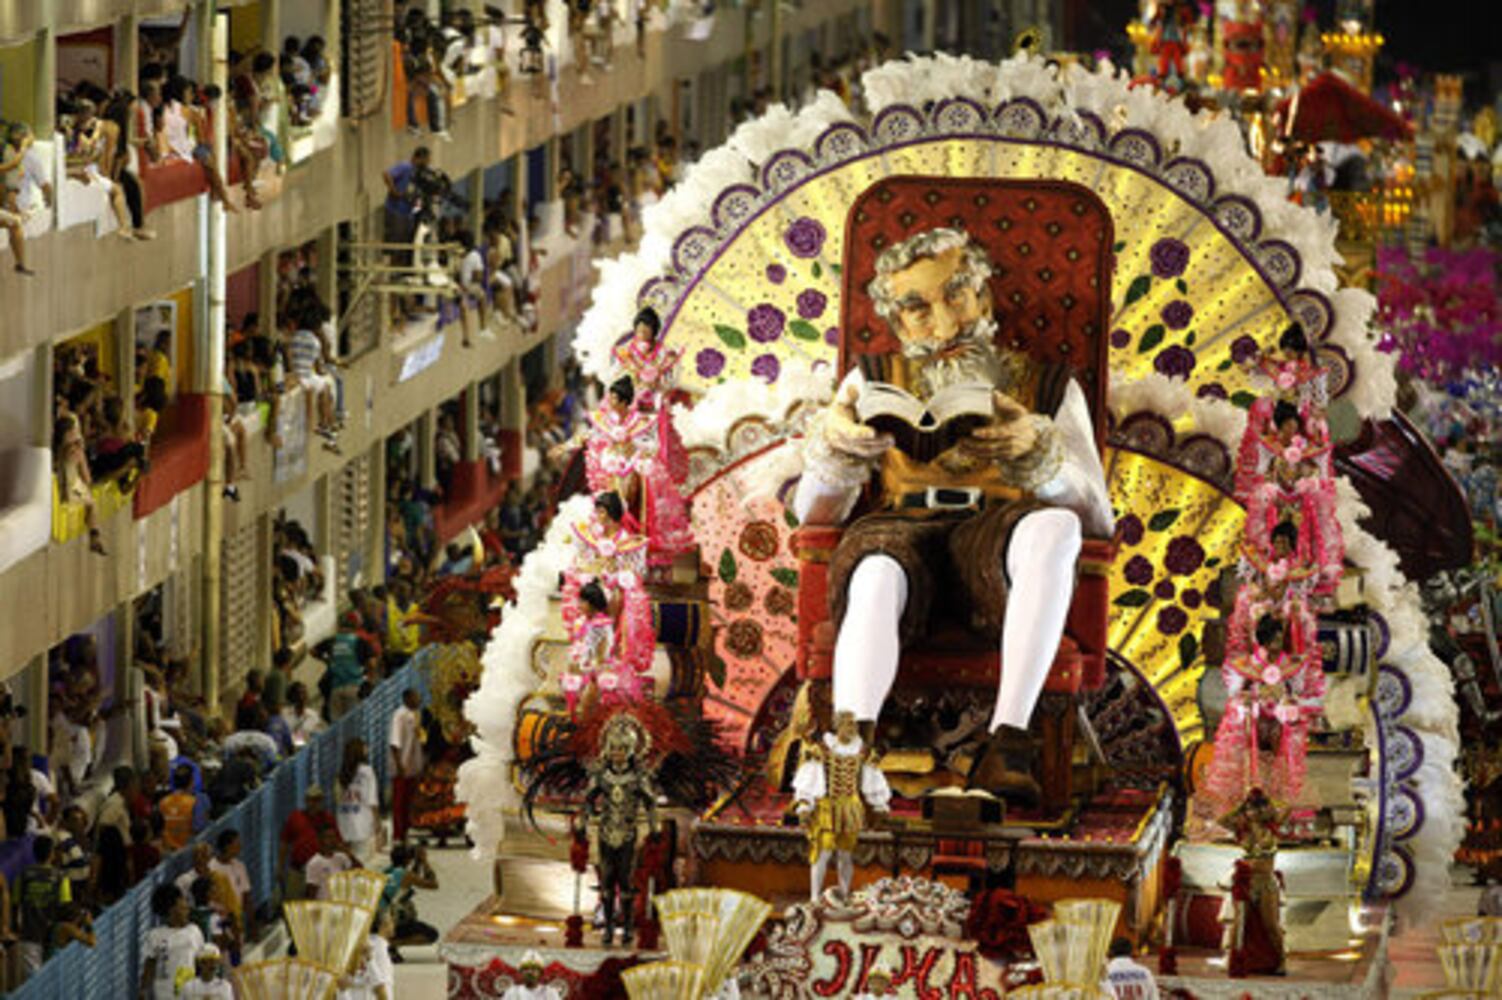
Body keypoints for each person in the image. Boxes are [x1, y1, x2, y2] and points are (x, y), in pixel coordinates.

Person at [791, 227, 1112, 802]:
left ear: (983, 298)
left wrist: (1039, 457)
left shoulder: (1048, 386)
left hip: (999, 536)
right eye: (917, 308)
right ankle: (848, 752)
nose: (944, 326)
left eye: (956, 296)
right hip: (901, 532)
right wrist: (836, 445)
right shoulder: (868, 382)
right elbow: (811, 515)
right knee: (876, 571)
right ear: (896, 322)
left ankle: (1007, 743)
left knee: (1055, 525)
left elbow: (1097, 518)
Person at [793, 710, 891, 901]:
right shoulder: (821, 749)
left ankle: (844, 895)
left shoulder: (862, 751)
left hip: (850, 806)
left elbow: (872, 778)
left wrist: (879, 805)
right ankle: (814, 897)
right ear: (837, 726)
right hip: (827, 807)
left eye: (854, 725)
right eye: (847, 725)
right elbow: (809, 777)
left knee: (846, 854)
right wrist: (805, 803)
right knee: (824, 851)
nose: (852, 729)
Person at [15, 836, 70, 976]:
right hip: (53, 938)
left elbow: (15, 903)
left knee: (34, 982)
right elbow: (65, 907)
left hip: (29, 936)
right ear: (52, 853)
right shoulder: (61, 877)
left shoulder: (22, 875)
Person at [140, 884, 205, 1000]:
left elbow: (201, 963)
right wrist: (143, 990)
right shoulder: (155, 936)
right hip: (164, 995)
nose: (187, 907)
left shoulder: (194, 931)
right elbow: (149, 965)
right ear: (171, 909)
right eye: (182, 904)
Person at [280, 785, 341, 899]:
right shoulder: (295, 817)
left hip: (320, 872)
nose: (314, 803)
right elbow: (284, 843)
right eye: (311, 799)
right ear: (306, 800)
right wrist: (280, 867)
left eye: (317, 800)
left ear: (321, 801)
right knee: (294, 904)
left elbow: (337, 842)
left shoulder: (328, 819)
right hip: (298, 870)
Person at [315, 616, 377, 720]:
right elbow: (372, 663)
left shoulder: (333, 640)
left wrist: (327, 661)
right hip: (355, 686)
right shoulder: (359, 642)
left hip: (336, 687)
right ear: (354, 628)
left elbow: (313, 651)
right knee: (354, 722)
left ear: (339, 627)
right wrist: (370, 679)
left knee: (337, 724)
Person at [382, 843, 439, 957]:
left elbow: (411, 878)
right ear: (408, 860)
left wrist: (418, 863)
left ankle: (390, 945)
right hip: (394, 921)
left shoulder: (388, 871)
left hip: (382, 920)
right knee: (431, 934)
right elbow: (433, 884)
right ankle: (390, 944)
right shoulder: (405, 875)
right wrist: (424, 862)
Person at [388, 688, 425, 844]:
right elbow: (394, 742)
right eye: (416, 697)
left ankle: (406, 833)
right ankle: (397, 835)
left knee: (409, 803)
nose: (419, 700)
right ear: (407, 698)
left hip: (413, 766)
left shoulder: (416, 715)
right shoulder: (399, 715)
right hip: (401, 768)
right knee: (399, 803)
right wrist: (399, 765)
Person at [336, 738, 381, 860]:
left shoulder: (341, 773)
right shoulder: (367, 771)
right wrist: (377, 822)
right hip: (363, 822)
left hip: (344, 822)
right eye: (364, 747)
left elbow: (337, 798)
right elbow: (372, 799)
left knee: (346, 863)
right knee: (361, 863)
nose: (367, 749)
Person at [210, 830, 253, 942]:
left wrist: (251, 922)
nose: (240, 847)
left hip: (237, 922)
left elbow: (246, 895)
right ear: (227, 846)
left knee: (237, 955)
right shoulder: (212, 868)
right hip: (220, 921)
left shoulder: (240, 866)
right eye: (237, 844)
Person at [159, 763, 205, 851]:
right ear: (191, 781)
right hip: (187, 851)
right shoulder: (194, 802)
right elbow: (198, 829)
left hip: (168, 853)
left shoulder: (163, 802)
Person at [304, 825, 356, 900]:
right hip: (325, 907)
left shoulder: (341, 857)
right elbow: (311, 894)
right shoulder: (314, 863)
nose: (333, 840)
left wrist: (348, 853)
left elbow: (359, 871)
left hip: (341, 904)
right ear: (320, 840)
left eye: (334, 837)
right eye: (329, 837)